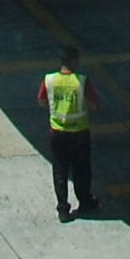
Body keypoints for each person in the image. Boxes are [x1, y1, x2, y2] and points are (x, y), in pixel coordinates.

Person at [42, 48, 97, 220]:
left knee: (60, 171)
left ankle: (63, 209)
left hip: (57, 133)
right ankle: (85, 202)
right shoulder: (81, 81)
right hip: (79, 134)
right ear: (74, 61)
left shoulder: (49, 80)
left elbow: (41, 100)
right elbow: (95, 105)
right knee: (81, 171)